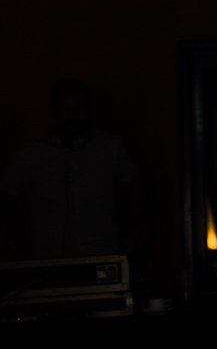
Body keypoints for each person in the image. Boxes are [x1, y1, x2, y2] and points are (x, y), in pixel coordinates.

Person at [1, 79, 140, 260]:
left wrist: (135, 233)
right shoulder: (30, 153)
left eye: (79, 107)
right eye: (65, 108)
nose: (72, 115)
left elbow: (136, 186)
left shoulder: (110, 147)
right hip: (47, 256)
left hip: (101, 253)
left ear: (88, 109)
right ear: (55, 111)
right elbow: (6, 194)